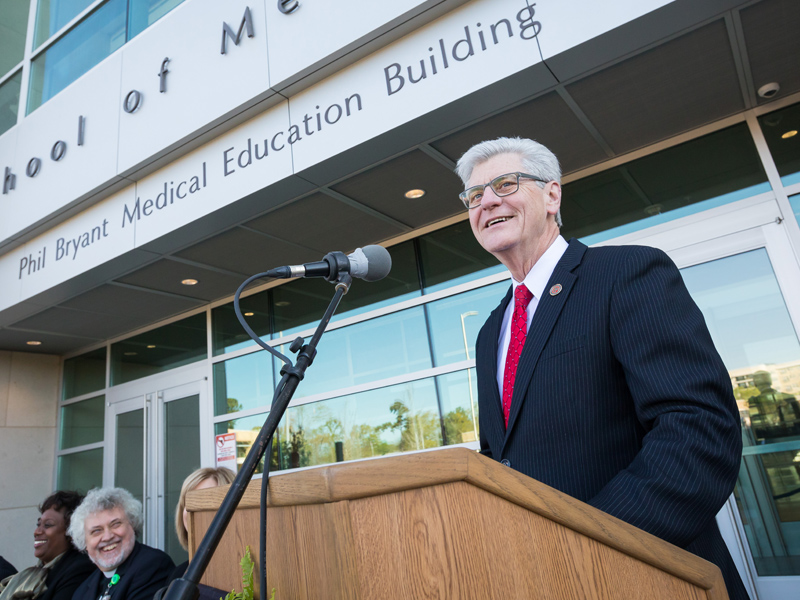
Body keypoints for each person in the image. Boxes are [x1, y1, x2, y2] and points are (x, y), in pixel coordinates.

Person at [455, 137, 748, 600]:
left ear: (552, 195)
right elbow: (500, 460)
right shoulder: (492, 330)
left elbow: (698, 428)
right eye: (474, 196)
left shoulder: (626, 273)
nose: (487, 201)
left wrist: (589, 543)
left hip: (648, 574)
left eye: (505, 184)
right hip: (543, 578)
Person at [69, 488, 174, 600]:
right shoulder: (82, 591)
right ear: (84, 542)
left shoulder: (153, 565)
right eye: (96, 531)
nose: (107, 536)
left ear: (132, 524)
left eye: (115, 524)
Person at [0, 491, 94, 600]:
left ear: (72, 531)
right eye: (38, 524)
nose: (37, 531)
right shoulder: (38, 573)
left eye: (47, 525)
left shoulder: (80, 568)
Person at [170, 467, 236, 582]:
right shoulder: (179, 574)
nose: (194, 510)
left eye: (205, 501)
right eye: (189, 501)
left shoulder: (250, 571)